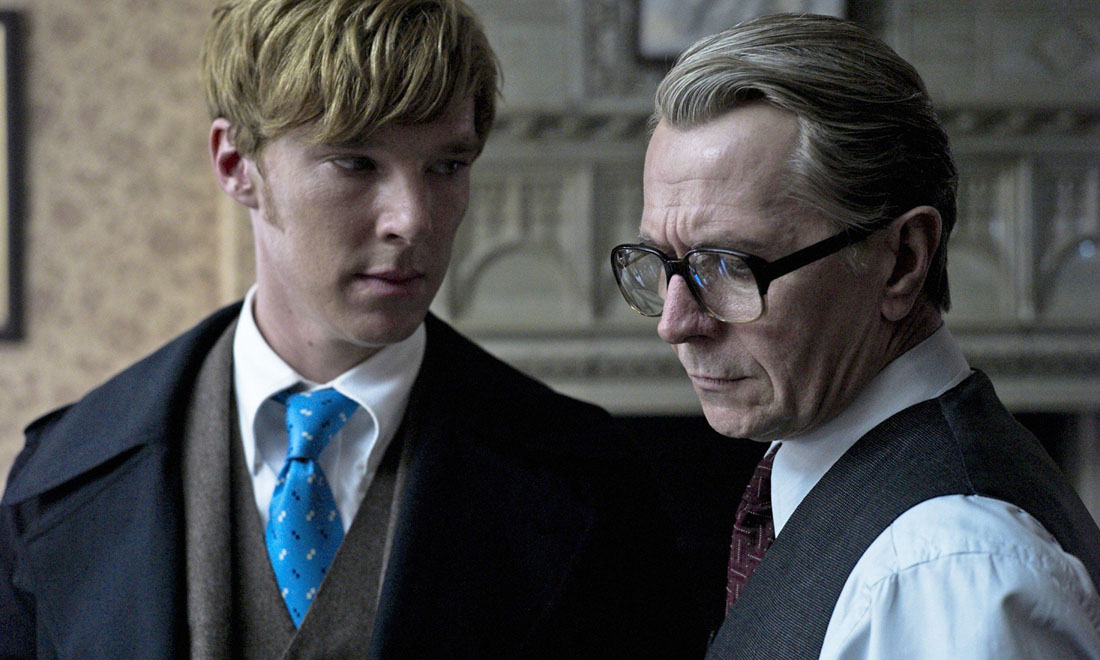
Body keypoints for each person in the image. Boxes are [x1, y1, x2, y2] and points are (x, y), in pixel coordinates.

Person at [0, 1, 690, 657]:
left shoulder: (590, 480)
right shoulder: (62, 474)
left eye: (447, 166)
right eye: (355, 162)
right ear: (236, 164)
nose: (413, 219)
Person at [610, 13, 1100, 659]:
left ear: (903, 260)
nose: (674, 323)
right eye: (662, 262)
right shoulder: (837, 473)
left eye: (729, 265)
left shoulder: (949, 569)